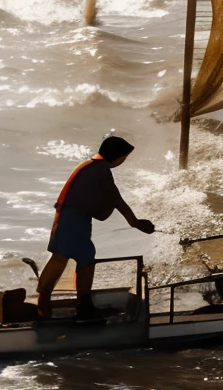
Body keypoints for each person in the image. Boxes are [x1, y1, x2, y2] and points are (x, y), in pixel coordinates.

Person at [37, 135, 156, 319]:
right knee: (84, 258)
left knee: (61, 257)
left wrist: (134, 222)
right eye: (123, 158)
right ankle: (83, 306)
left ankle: (46, 303)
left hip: (67, 217)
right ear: (115, 157)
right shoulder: (102, 169)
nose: (123, 162)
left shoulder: (89, 165)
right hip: (74, 219)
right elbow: (116, 199)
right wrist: (136, 223)